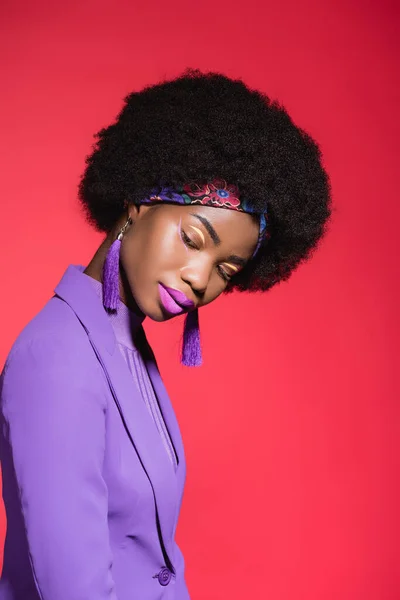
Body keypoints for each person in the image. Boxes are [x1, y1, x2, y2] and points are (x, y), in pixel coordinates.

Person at [0, 68, 332, 600]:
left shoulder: (128, 346)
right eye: (194, 238)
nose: (200, 278)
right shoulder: (57, 358)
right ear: (136, 204)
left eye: (226, 270)